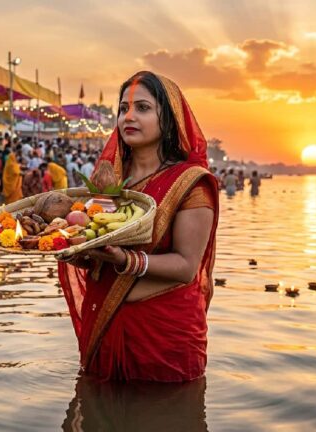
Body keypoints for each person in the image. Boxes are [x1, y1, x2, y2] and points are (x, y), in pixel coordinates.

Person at [57, 71, 219, 382]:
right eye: (122, 109)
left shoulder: (191, 183)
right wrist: (70, 247)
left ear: (168, 118)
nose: (128, 117)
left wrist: (126, 261)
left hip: (162, 334)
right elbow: (94, 248)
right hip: (105, 323)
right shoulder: (110, 178)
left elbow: (186, 266)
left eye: (142, 108)